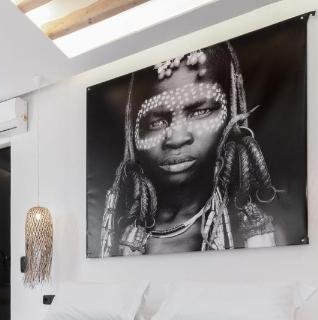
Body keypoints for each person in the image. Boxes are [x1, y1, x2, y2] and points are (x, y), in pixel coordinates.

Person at [100, 42, 278, 256]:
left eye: (200, 112)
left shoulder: (264, 235)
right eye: (156, 122)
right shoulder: (115, 239)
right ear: (133, 134)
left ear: (232, 113)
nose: (177, 138)